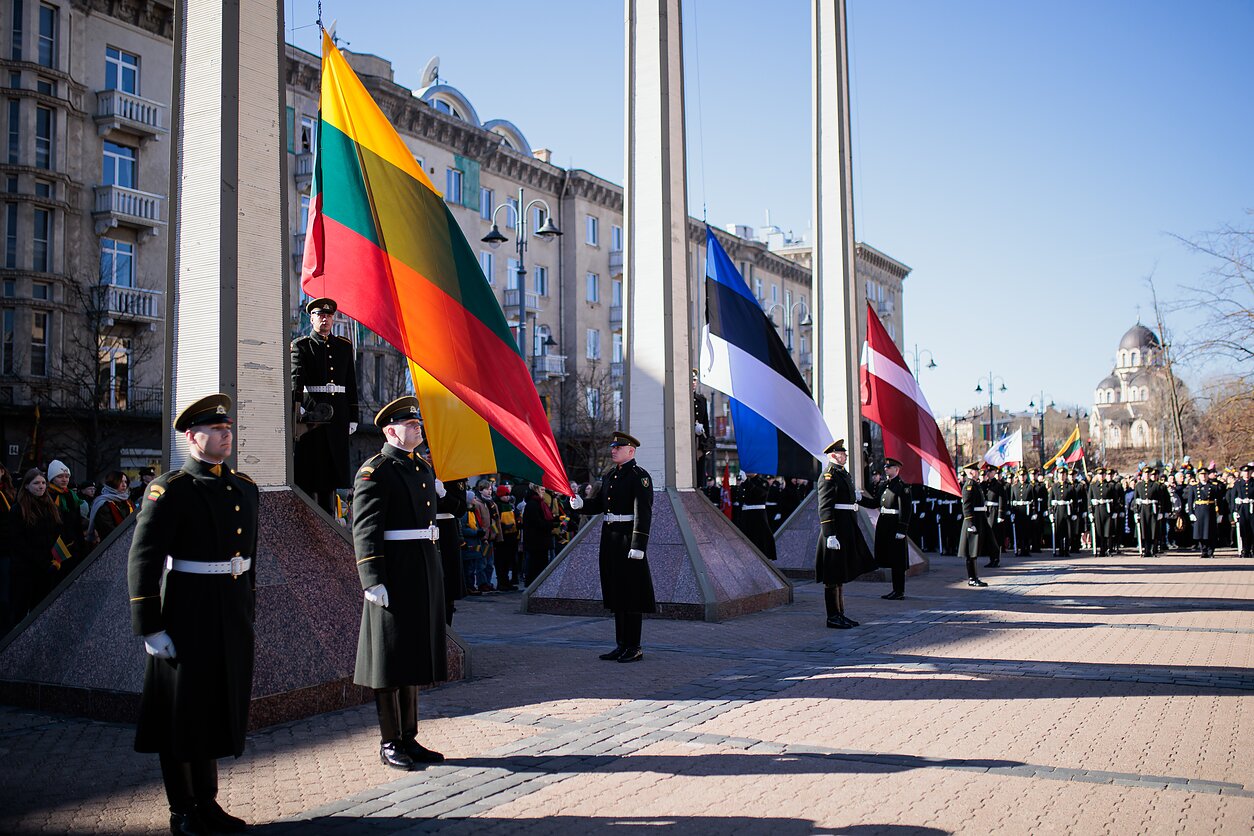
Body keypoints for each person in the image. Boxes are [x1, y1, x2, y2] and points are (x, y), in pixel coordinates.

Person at [126, 393, 258, 835]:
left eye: (228, 428)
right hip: (188, 611)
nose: (226, 434)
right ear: (191, 437)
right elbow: (144, 559)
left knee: (213, 707)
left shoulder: (243, 487)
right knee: (182, 712)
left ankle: (207, 801)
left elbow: (248, 558)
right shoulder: (171, 489)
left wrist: (246, 610)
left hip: (229, 610)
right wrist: (150, 625)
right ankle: (183, 808)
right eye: (216, 429)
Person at [351, 396, 447, 771]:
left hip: (421, 567)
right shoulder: (376, 471)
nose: (418, 429)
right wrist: (372, 578)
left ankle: (410, 736)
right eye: (411, 425)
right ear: (391, 430)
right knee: (389, 662)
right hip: (393, 571)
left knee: (413, 657)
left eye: (418, 424)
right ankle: (390, 741)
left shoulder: (420, 467)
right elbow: (366, 529)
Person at [569, 431, 655, 662]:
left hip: (628, 538)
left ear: (631, 451)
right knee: (616, 591)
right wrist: (580, 505)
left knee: (632, 593)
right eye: (612, 447)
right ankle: (621, 645)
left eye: (618, 447)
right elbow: (598, 504)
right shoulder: (610, 476)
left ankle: (633, 646)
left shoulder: (639, 477)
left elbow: (643, 513)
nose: (613, 450)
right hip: (610, 538)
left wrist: (638, 544)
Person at [291, 297, 359, 513]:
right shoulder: (302, 346)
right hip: (313, 415)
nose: (325, 319)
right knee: (313, 471)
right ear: (311, 318)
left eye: (329, 316)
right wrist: (297, 407)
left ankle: (330, 516)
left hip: (338, 415)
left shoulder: (343, 346)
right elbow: (296, 379)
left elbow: (351, 383)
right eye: (320, 315)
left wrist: (354, 416)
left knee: (332, 472)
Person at [814, 439, 878, 627]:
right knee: (832, 575)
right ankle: (832, 617)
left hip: (846, 527)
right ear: (834, 455)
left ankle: (840, 613)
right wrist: (830, 534)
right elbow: (825, 507)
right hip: (836, 529)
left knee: (840, 573)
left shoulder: (842, 473)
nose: (846, 456)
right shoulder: (828, 475)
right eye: (843, 454)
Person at [8, 468, 62, 622]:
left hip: (47, 567)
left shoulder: (51, 507)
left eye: (43, 483)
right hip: (25, 568)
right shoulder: (18, 509)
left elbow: (56, 534)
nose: (41, 486)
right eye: (36, 483)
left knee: (42, 610)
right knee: (21, 610)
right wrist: (41, 561)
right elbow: (18, 542)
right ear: (26, 486)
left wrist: (55, 559)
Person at [875, 458, 913, 600]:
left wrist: (902, 529)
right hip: (884, 524)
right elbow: (875, 502)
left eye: (889, 467)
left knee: (897, 560)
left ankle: (899, 591)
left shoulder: (902, 487)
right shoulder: (884, 485)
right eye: (885, 467)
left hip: (895, 525)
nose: (886, 469)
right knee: (890, 558)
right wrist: (858, 498)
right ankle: (895, 590)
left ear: (896, 469)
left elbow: (906, 509)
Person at [435, 478, 467, 625]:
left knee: (448, 586)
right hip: (422, 530)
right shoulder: (420, 470)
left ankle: (447, 629)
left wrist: (443, 493)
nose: (429, 455)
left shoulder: (454, 477)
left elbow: (460, 509)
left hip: (447, 532)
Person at [46, 459, 86, 569]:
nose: (64, 479)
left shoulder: (72, 495)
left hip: (73, 543)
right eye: (60, 476)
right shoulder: (47, 496)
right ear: (52, 479)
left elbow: (77, 522)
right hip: (55, 545)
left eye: (67, 476)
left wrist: (80, 544)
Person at [956, 463, 991, 587]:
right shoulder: (969, 486)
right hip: (973, 520)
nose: (977, 472)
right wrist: (970, 522)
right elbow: (966, 505)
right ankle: (972, 578)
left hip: (979, 519)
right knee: (971, 552)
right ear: (971, 472)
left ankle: (974, 577)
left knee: (974, 551)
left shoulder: (975, 484)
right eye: (975, 470)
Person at [521, 484, 557, 586]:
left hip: (540, 541)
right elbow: (537, 523)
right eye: (541, 489)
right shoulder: (533, 504)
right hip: (536, 542)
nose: (543, 491)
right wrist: (551, 524)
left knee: (540, 564)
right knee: (535, 565)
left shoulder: (540, 503)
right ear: (535, 489)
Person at [737, 472, 777, 560]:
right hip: (746, 516)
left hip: (758, 515)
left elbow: (760, 494)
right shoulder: (743, 483)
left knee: (760, 538)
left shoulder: (763, 482)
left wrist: (747, 482)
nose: (747, 472)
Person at [89, 471, 135, 544]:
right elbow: (107, 530)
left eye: (125, 482)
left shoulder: (128, 502)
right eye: (120, 482)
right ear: (112, 483)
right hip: (112, 545)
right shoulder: (103, 504)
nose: (124, 485)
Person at [1189, 467, 1223, 558]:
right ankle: (1203, 550)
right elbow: (1190, 501)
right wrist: (1191, 513)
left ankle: (1210, 551)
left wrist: (1220, 513)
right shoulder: (1194, 486)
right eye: (1201, 475)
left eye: (1205, 474)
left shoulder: (1213, 486)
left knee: (1210, 532)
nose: (1203, 476)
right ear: (1198, 476)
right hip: (1199, 511)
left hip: (1210, 510)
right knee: (1200, 532)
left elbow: (1219, 500)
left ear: (1208, 475)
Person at [1234, 463, 1254, 558]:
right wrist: (1234, 510)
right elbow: (1233, 497)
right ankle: (1245, 550)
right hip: (1242, 509)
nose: (1247, 474)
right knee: (1244, 531)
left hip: (1252, 508)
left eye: (1249, 472)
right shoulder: (1238, 483)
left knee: (1253, 529)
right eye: (1245, 472)